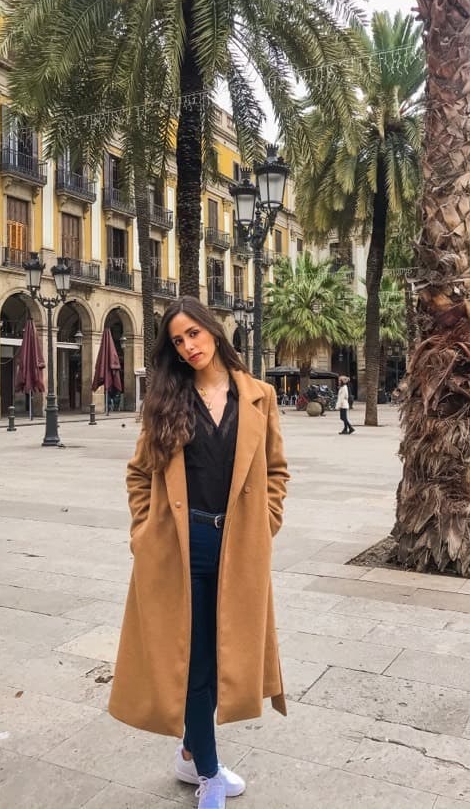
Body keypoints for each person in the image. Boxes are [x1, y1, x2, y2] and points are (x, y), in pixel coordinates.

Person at [109, 297, 290, 809]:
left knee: (222, 651)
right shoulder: (167, 398)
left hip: (238, 548)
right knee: (193, 662)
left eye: (193, 334)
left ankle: (191, 753)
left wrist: (266, 521)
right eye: (178, 341)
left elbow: (276, 470)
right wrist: (144, 531)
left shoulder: (259, 396)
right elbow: (139, 472)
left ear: (213, 330)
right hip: (178, 547)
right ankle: (209, 772)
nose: (188, 346)